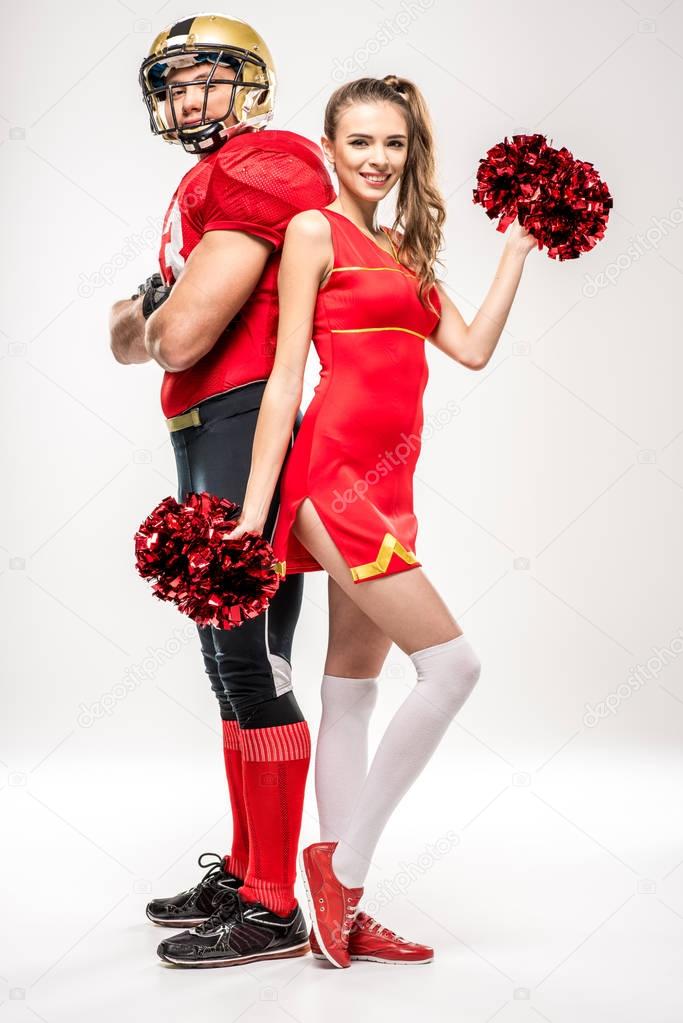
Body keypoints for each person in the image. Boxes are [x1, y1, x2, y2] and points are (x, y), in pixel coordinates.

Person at [226, 74, 538, 968]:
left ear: (410, 153)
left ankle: (339, 919)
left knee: (350, 692)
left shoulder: (403, 246)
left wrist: (514, 246)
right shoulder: (312, 231)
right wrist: (256, 513)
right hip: (332, 481)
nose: (376, 158)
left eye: (392, 144)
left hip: (392, 486)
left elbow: (470, 348)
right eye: (359, 141)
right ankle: (344, 868)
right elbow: (287, 380)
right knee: (453, 666)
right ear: (329, 145)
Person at [109, 13, 336, 968]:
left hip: (244, 421)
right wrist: (154, 316)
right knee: (224, 660)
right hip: (204, 426)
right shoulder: (201, 180)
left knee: (253, 663)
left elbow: (177, 333)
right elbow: (127, 336)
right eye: (174, 82)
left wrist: (158, 311)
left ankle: (276, 902)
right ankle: (250, 870)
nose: (185, 96)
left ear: (249, 83)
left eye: (205, 78)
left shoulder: (268, 160)